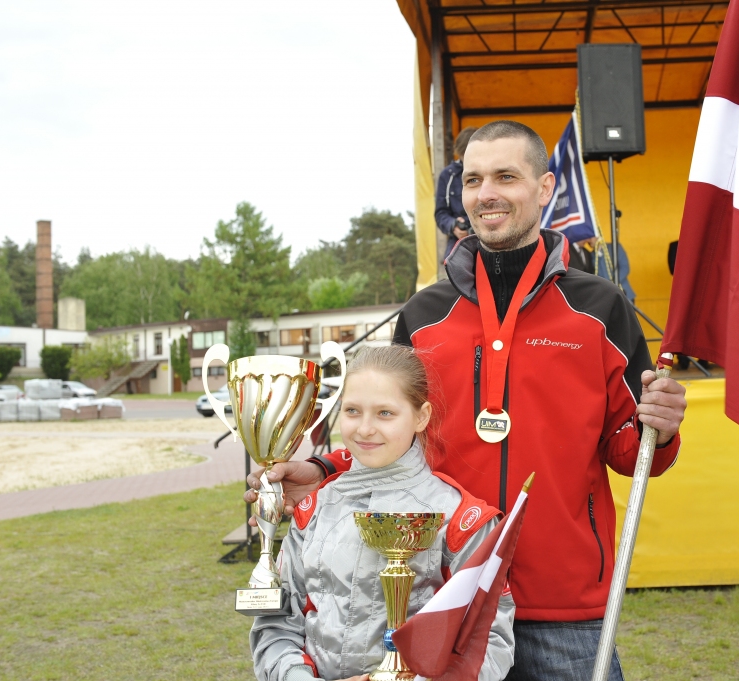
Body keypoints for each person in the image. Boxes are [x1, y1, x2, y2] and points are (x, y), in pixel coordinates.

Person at [248, 120, 687, 681]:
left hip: (564, 606)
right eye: (473, 179)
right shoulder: (424, 315)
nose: (487, 194)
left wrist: (662, 428)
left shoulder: (600, 308)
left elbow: (631, 453)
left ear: (546, 188)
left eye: (506, 176)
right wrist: (320, 468)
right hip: (440, 592)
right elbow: (392, 429)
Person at [250, 345, 514, 681]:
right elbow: (277, 624)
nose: (364, 429)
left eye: (385, 413)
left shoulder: (460, 518)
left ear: (421, 416)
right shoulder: (313, 510)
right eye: (353, 411)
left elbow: (488, 639)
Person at [435, 126, 478, 261]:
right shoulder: (447, 175)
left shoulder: (494, 171)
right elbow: (440, 213)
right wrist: (453, 225)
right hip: (458, 243)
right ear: (460, 153)